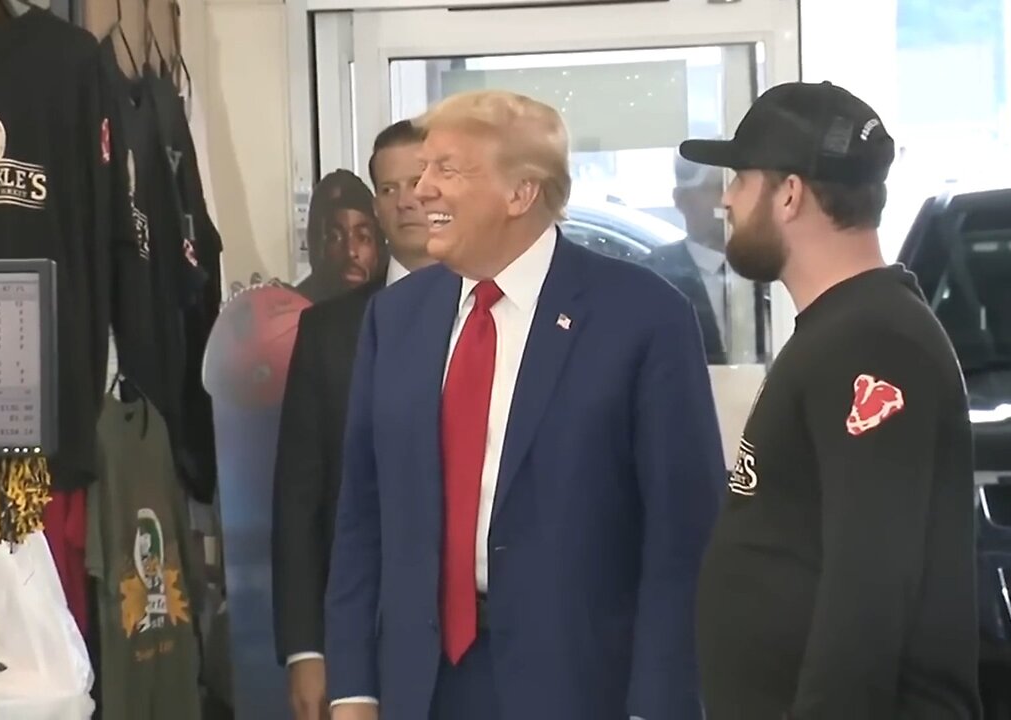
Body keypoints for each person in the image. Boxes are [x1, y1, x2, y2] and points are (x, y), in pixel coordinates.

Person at [324, 90, 726, 720]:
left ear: (521, 193)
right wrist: (353, 688)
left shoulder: (643, 317)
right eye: (423, 169)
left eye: (447, 170)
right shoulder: (396, 317)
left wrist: (661, 704)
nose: (419, 190)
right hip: (420, 685)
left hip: (580, 684)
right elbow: (361, 515)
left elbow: (682, 537)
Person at [683, 81, 981, 719]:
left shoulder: (873, 343)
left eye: (739, 178)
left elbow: (870, 584)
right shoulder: (844, 328)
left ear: (789, 194)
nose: (726, 200)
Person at [272, 119, 433, 720]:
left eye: (418, 180)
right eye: (388, 189)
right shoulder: (329, 331)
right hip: (364, 630)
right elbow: (298, 499)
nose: (406, 199)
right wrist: (304, 648)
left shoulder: (502, 315)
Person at [645, 154, 729, 363]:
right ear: (681, 199)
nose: (726, 198)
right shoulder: (654, 275)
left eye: (734, 185)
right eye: (715, 186)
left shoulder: (766, 275)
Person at [294, 170, 385, 302]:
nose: (351, 251)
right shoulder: (296, 313)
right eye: (334, 237)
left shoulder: (397, 306)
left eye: (363, 237)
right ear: (315, 244)